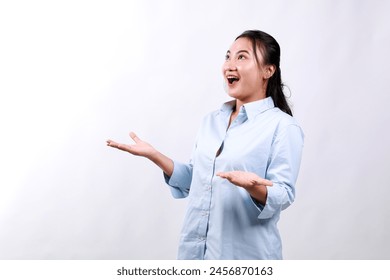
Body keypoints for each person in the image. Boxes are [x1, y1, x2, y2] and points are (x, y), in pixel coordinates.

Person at [106, 30, 304, 260]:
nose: (230, 65)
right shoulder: (211, 120)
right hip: (195, 255)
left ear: (268, 71)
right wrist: (154, 155)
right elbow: (197, 180)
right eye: (228, 56)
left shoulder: (283, 126)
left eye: (242, 57)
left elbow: (284, 194)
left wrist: (251, 186)